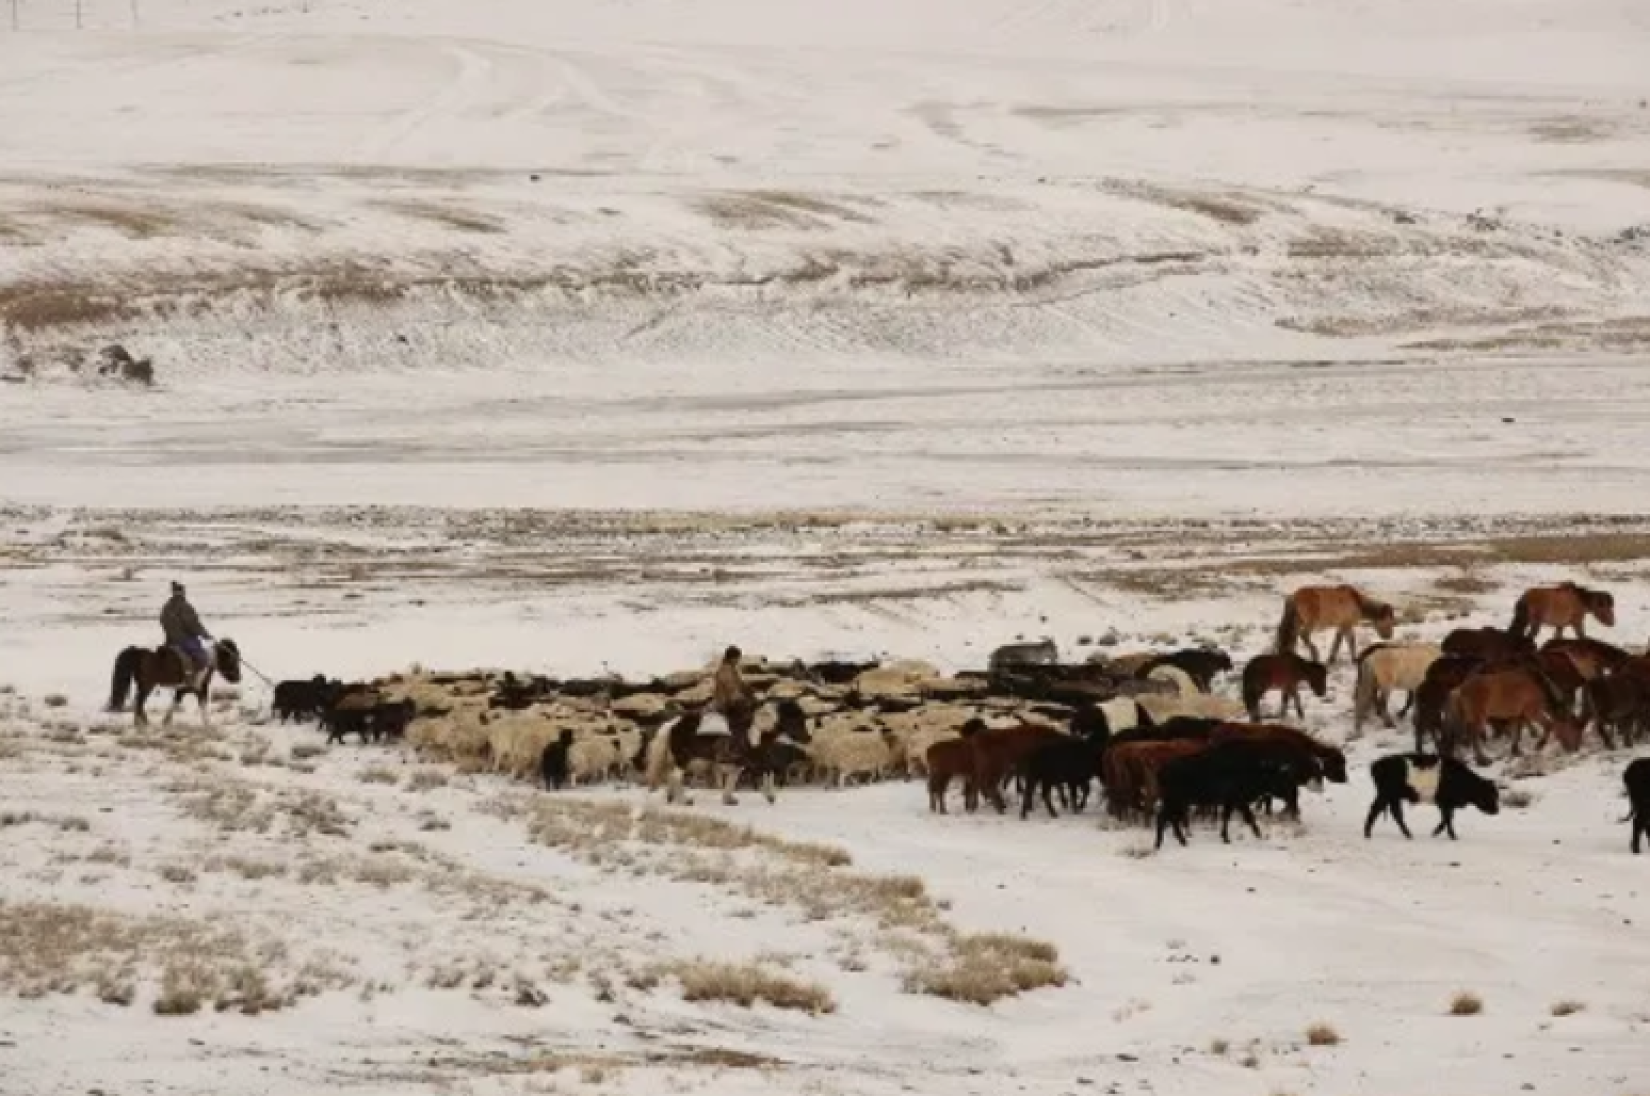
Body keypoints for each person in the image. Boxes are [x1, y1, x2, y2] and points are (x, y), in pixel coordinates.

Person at [160, 581, 213, 678]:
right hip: (185, 640)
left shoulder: (166, 607)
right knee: (202, 658)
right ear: (182, 592)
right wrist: (205, 634)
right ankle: (192, 678)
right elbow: (193, 624)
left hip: (170, 640)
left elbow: (162, 621)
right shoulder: (185, 606)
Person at [710, 645, 755, 730]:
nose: (738, 660)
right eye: (737, 658)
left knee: (750, 699)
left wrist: (749, 689)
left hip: (731, 698)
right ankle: (738, 722)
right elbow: (731, 691)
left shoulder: (732, 668)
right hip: (725, 702)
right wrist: (745, 698)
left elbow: (739, 683)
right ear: (732, 658)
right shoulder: (725, 671)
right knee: (746, 705)